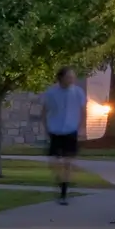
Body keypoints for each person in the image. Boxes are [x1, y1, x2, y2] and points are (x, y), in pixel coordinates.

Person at [41, 65, 88, 203]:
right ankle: (60, 180)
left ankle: (64, 192)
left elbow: (83, 111)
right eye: (68, 77)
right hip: (55, 129)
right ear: (61, 78)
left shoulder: (78, 92)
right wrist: (46, 128)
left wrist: (81, 128)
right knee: (54, 162)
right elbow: (44, 111)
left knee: (68, 161)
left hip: (71, 129)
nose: (71, 79)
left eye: (73, 77)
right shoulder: (51, 93)